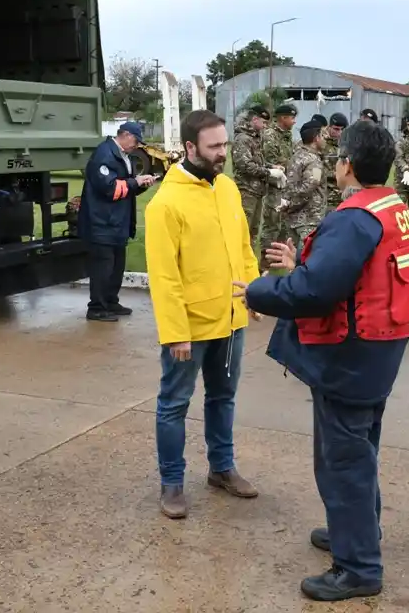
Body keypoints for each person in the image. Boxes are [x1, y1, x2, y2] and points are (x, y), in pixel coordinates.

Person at [237, 119, 409, 603]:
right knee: (360, 451)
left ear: (346, 165)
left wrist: (261, 289)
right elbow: (349, 276)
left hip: (352, 357)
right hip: (378, 351)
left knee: (343, 462)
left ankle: (358, 567)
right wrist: (299, 267)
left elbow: (316, 291)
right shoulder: (392, 207)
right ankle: (358, 532)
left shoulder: (354, 217)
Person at [144, 109, 261, 520]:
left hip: (230, 320)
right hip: (189, 328)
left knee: (223, 398)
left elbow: (243, 246)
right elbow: (163, 276)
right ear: (190, 147)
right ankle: (171, 483)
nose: (222, 153)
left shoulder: (227, 188)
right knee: (174, 403)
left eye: (225, 144)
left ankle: (222, 469)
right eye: (214, 147)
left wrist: (255, 291)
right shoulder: (166, 203)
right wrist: (175, 333)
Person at [78, 120, 156, 321]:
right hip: (101, 223)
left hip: (116, 223)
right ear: (126, 135)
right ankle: (97, 307)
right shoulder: (104, 154)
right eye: (136, 141)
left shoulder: (123, 156)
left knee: (116, 266)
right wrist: (134, 182)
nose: (137, 146)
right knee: (103, 267)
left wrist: (141, 184)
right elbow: (110, 188)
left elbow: (125, 189)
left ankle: (111, 302)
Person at [231, 105, 280, 245]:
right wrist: (269, 172)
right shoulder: (243, 139)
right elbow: (245, 165)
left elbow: (258, 161)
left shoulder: (255, 138)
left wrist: (272, 167)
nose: (265, 126)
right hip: (246, 191)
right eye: (263, 123)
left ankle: (248, 263)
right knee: (243, 231)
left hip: (257, 191)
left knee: (253, 231)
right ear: (255, 119)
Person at [259, 103, 298, 271]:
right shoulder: (270, 135)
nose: (294, 121)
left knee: (284, 226)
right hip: (274, 186)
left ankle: (277, 263)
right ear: (283, 118)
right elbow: (270, 161)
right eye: (292, 117)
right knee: (272, 225)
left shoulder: (287, 136)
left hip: (286, 186)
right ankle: (265, 265)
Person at [280, 119, 327, 256]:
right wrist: (294, 204)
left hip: (293, 219)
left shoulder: (297, 155)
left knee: (293, 259)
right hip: (309, 219)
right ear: (316, 138)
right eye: (323, 136)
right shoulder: (313, 160)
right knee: (307, 258)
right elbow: (310, 186)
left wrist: (289, 206)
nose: (325, 139)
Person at [322, 112, 347, 209]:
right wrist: (338, 174)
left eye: (342, 129)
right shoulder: (321, 143)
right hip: (326, 197)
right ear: (329, 127)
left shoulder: (345, 144)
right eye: (336, 129)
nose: (339, 132)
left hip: (342, 197)